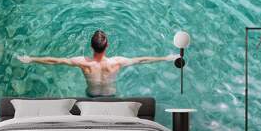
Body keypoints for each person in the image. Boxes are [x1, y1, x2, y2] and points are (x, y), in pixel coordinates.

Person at [18, 30, 179, 97]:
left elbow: (55, 61)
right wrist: (165, 58)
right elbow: (142, 60)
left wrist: (31, 59)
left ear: (91, 46)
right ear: (107, 46)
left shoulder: (83, 63)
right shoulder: (117, 62)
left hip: (91, 96)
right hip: (111, 96)